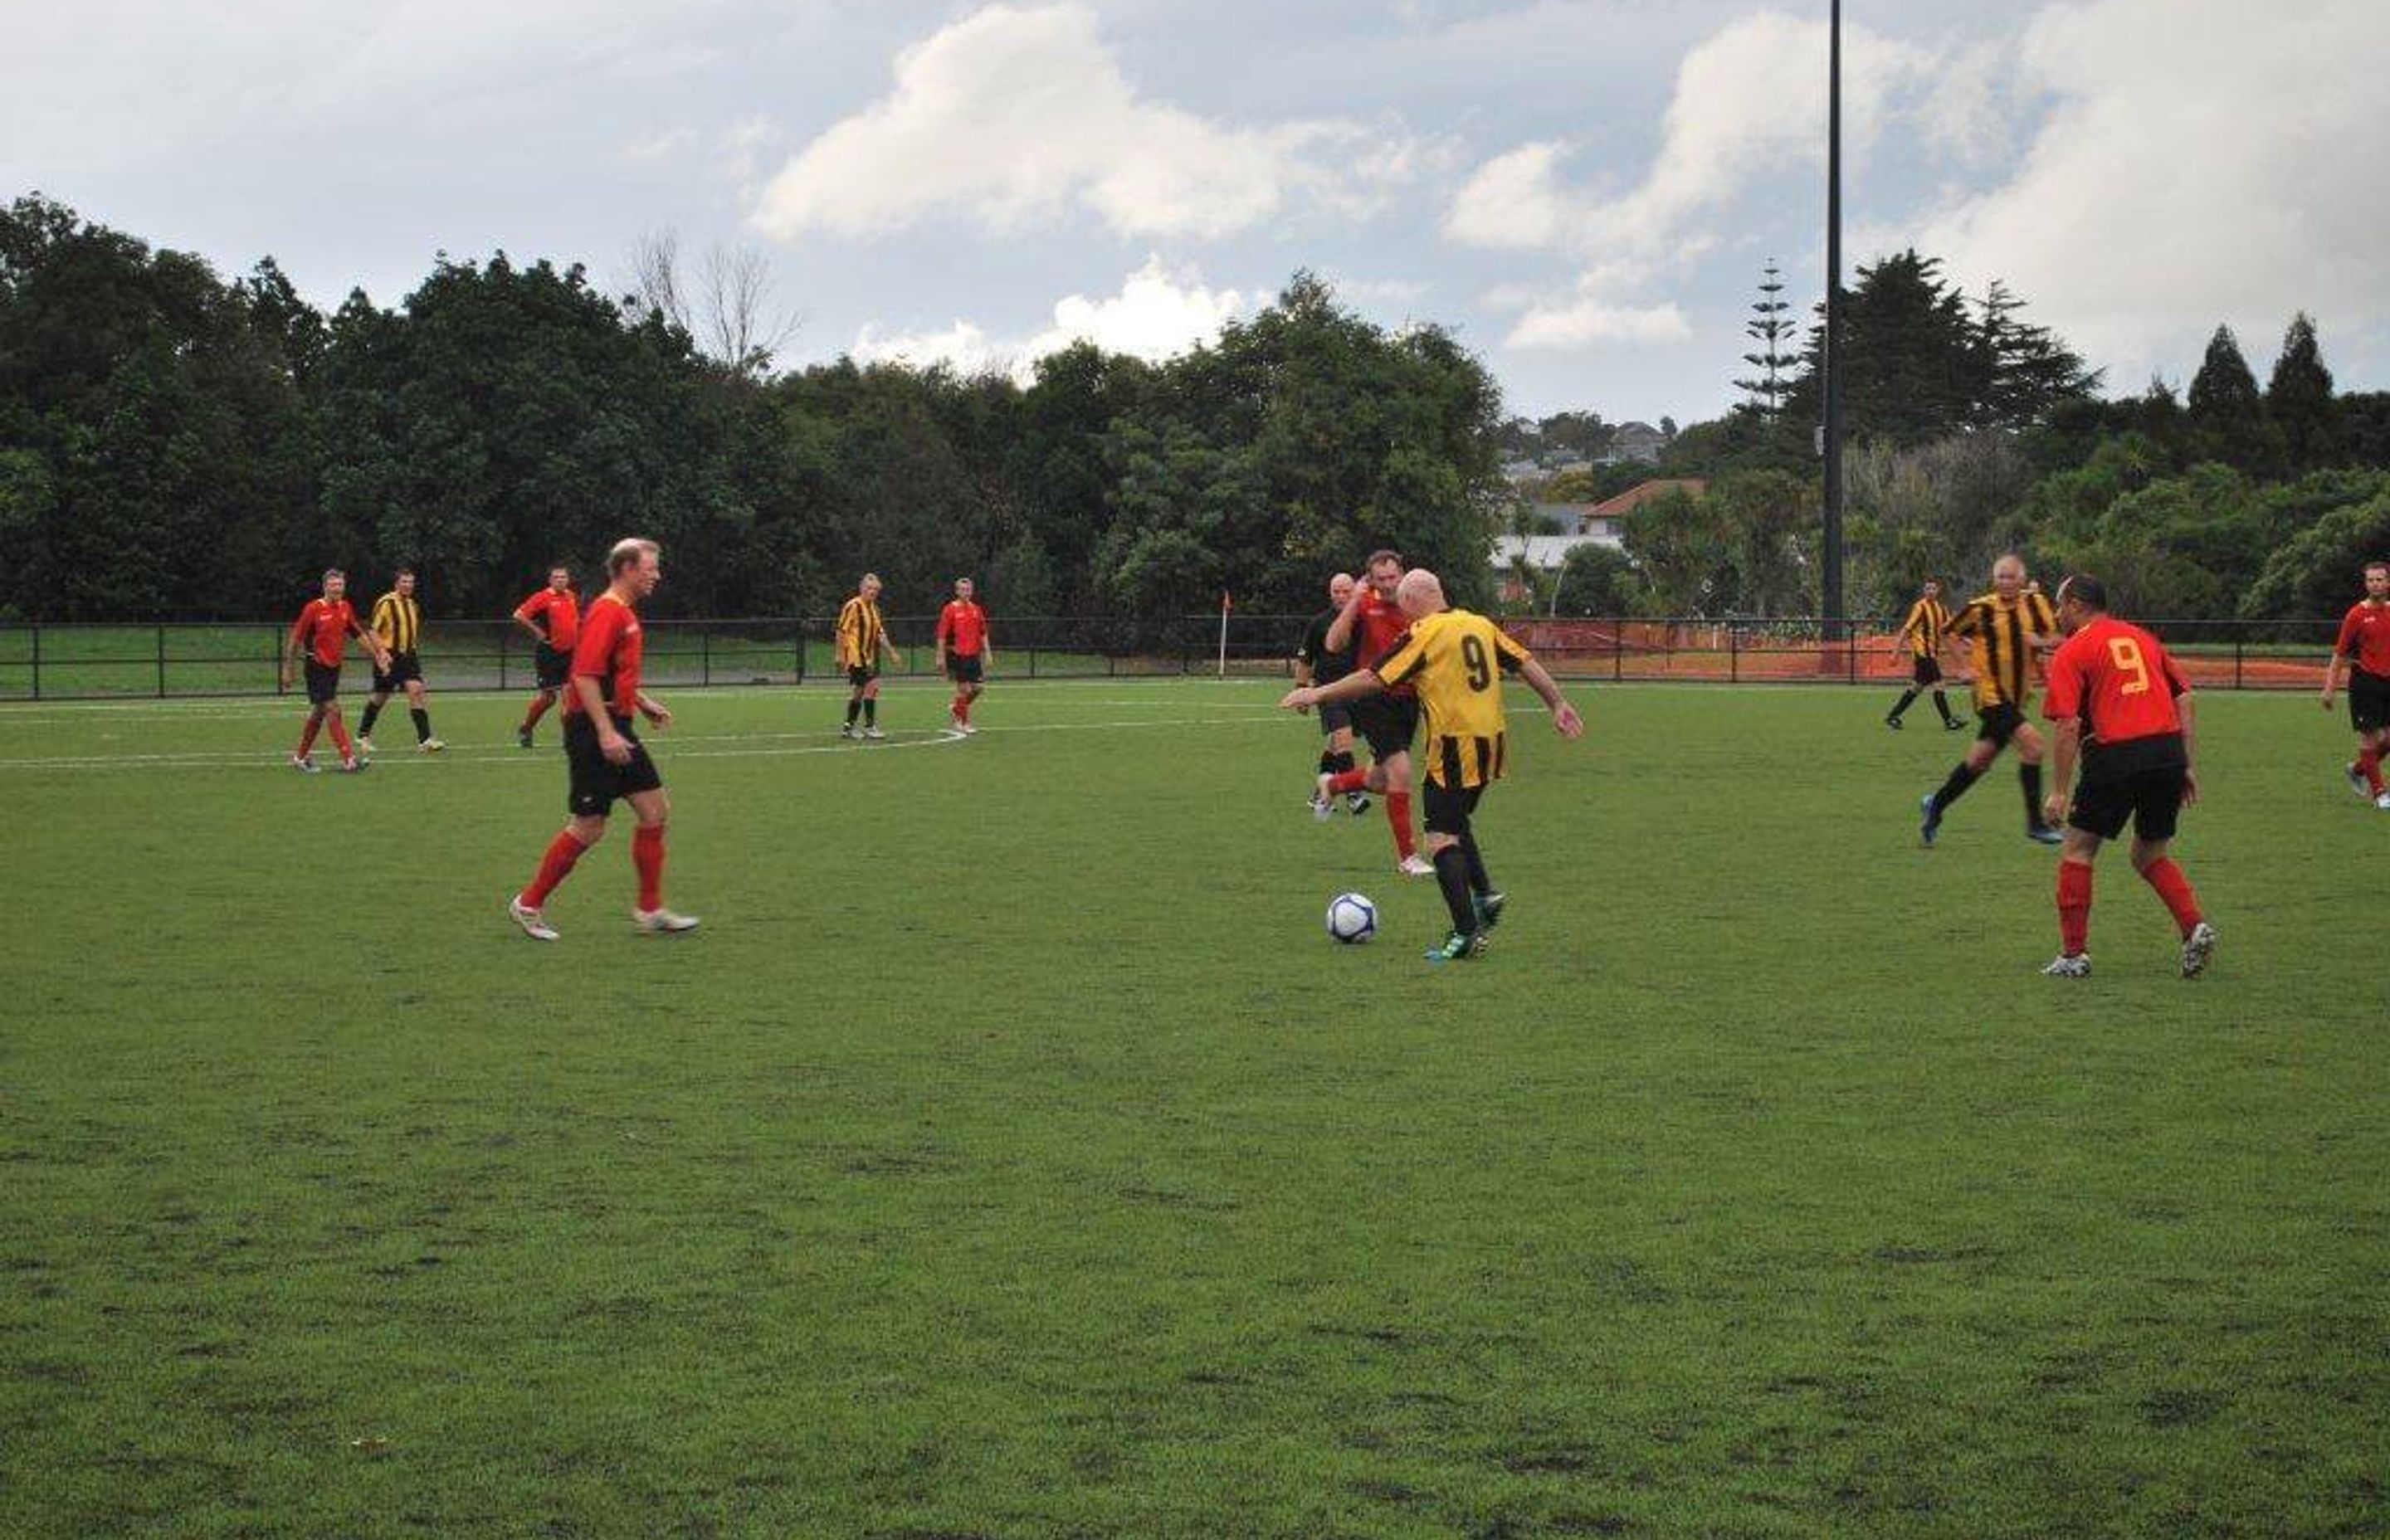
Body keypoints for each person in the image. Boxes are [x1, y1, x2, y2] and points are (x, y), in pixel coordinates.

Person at [1282, 568, 1583, 961]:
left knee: (1440, 837)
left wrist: (1316, 692)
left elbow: (1373, 678)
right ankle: (1486, 896)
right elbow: (1525, 662)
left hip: (1456, 744)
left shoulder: (1424, 633)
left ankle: (1465, 934)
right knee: (1456, 821)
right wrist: (1557, 702)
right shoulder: (1479, 623)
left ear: (1410, 603)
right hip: (1492, 741)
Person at [507, 538, 697, 940]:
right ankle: (528, 903)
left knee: (655, 811)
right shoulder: (607, 612)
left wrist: (641, 703)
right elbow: (583, 676)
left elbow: (607, 670)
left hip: (616, 723)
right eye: (651, 569)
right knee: (589, 826)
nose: (657, 576)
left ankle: (649, 910)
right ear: (628, 569)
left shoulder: (623, 612)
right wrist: (606, 731)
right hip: (594, 729)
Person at [2037, 575, 2216, 978]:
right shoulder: (2143, 638)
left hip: (2115, 753)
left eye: (2060, 605)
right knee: (2149, 852)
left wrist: (2059, 793)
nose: (2056, 613)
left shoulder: (2073, 650)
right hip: (2167, 751)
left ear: (2078, 605)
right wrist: (2185, 764)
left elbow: (2068, 725)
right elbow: (2184, 697)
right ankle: (2194, 927)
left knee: (2078, 849)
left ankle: (2073, 956)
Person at [1919, 553, 2065, 846]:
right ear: (1994, 579)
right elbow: (1948, 633)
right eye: (2000, 577)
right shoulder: (1981, 608)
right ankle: (2035, 824)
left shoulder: (2035, 604)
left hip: (2015, 696)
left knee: (1978, 762)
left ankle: (1936, 804)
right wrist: (1963, 666)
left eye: (2011, 577)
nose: (2005, 582)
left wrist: (2040, 642)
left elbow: (2057, 637)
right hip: (1990, 694)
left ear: (2022, 580)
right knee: (2034, 746)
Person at [1317, 549, 1432, 875]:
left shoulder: (1418, 604)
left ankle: (1333, 785)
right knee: (1401, 770)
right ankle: (1408, 858)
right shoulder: (1366, 603)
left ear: (1403, 574)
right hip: (1373, 697)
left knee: (1379, 780)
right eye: (1379, 579)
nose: (1387, 585)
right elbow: (1333, 644)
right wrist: (1354, 600)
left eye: (1392, 578)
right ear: (1370, 580)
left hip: (1409, 701)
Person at [279, 568, 388, 773]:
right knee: (332, 709)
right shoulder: (313, 609)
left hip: (333, 667)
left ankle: (300, 758)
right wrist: (288, 669)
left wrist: (378, 657)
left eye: (340, 584)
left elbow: (358, 635)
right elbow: (295, 640)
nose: (337, 588)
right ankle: (349, 760)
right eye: (333, 585)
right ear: (325, 587)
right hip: (316, 666)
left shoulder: (346, 608)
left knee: (319, 712)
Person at [1293, 573, 1370, 816]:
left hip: (1356, 690)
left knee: (1335, 744)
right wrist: (1301, 690)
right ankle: (1353, 794)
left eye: (1346, 591)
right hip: (1327, 690)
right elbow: (1305, 660)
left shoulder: (1363, 620)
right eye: (1336, 591)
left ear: (1354, 592)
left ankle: (1320, 794)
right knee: (1343, 736)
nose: (1341, 596)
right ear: (1330, 592)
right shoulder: (1319, 623)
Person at [2319, 558, 2390, 810]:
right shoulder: (2356, 614)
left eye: (2380, 579)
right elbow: (2339, 653)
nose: (2375, 584)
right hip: (2365, 682)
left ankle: (2358, 770)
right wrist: (2329, 689)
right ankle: (2380, 794)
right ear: (2365, 583)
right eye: (2371, 580)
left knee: (2388, 740)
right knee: (2370, 738)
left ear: (2388, 582)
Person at [355, 568, 444, 754]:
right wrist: (381, 652)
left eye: (410, 582)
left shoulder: (413, 605)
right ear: (396, 584)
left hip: (408, 656)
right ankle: (363, 734)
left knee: (416, 690)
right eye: (404, 582)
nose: (408, 585)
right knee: (381, 695)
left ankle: (425, 740)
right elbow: (372, 630)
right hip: (389, 655)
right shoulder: (386, 602)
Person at [513, 564, 580, 749]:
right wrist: (537, 631)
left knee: (569, 697)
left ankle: (570, 740)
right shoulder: (542, 597)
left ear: (568, 580)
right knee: (548, 698)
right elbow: (519, 615)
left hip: (570, 653)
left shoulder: (571, 596)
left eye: (564, 577)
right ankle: (526, 728)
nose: (561, 580)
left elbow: (573, 622)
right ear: (550, 580)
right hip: (549, 653)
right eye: (557, 577)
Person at [1885, 578, 1964, 730]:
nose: (1930, 591)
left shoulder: (1941, 609)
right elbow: (1905, 630)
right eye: (1927, 588)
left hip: (1931, 654)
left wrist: (1965, 640)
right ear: (1924, 590)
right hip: (1923, 654)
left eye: (1933, 588)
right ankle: (1949, 721)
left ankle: (1893, 717)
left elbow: (1950, 629)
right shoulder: (1919, 608)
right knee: (1939, 685)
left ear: (1938, 590)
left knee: (1917, 688)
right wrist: (1895, 652)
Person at [836, 573, 901, 740]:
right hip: (854, 656)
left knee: (859, 692)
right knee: (872, 686)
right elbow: (841, 631)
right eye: (869, 588)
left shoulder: (874, 609)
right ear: (861, 588)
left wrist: (892, 652)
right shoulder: (853, 605)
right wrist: (840, 656)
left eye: (875, 589)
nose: (872, 592)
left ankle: (848, 728)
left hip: (866, 657)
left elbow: (880, 634)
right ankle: (870, 726)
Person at [934, 577, 995, 735]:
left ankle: (956, 708)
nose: (966, 592)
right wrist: (940, 656)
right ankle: (963, 722)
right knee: (964, 690)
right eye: (962, 589)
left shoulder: (977, 609)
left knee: (978, 688)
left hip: (973, 655)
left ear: (972, 591)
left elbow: (983, 633)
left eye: (968, 589)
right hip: (956, 654)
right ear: (957, 591)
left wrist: (988, 652)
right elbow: (941, 635)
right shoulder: (950, 609)